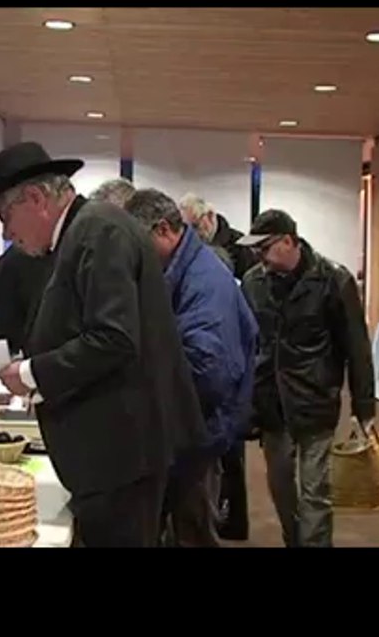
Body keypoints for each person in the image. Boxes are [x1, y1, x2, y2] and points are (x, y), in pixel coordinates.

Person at [0, 141, 207, 547]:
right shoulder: (86, 231)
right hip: (114, 452)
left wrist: (29, 374)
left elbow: (113, 337)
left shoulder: (98, 231)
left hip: (120, 455)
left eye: (5, 216)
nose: (7, 232)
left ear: (35, 198)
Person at [125, 188, 258, 547]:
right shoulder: (183, 269)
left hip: (200, 433)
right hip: (190, 430)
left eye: (138, 242)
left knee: (193, 531)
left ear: (164, 230)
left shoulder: (204, 281)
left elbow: (207, 372)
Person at [239, 209, 375, 547]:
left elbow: (356, 346)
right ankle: (294, 540)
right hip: (272, 403)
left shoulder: (333, 279)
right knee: (282, 488)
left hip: (315, 399)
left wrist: (364, 406)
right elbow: (247, 342)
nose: (260, 257)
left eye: (265, 248)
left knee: (315, 491)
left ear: (289, 241)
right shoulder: (254, 282)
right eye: (255, 250)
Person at [179, 192, 258, 541]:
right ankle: (228, 522)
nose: (191, 233)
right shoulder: (198, 260)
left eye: (193, 226)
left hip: (225, 382)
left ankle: (234, 522)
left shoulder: (230, 255)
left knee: (227, 465)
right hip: (226, 379)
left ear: (208, 218)